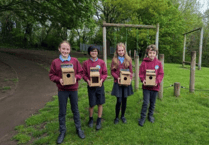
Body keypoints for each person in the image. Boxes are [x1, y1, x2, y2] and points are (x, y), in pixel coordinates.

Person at [49, 41, 85, 144]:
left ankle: (78, 129)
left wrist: (76, 78)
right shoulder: (55, 62)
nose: (65, 51)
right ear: (59, 49)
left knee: (75, 110)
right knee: (62, 112)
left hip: (73, 90)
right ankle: (62, 131)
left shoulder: (75, 61)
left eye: (67, 49)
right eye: (63, 49)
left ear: (70, 50)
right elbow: (51, 75)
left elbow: (80, 72)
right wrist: (58, 79)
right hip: (62, 90)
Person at [138, 44, 164, 127]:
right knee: (146, 102)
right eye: (150, 53)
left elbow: (161, 73)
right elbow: (141, 73)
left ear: (156, 53)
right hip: (146, 87)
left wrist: (157, 81)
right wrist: (143, 80)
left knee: (153, 102)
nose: (152, 54)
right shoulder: (144, 63)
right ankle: (142, 117)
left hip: (155, 87)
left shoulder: (158, 63)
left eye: (153, 53)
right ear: (147, 53)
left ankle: (150, 116)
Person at [82, 46, 107, 130]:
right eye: (92, 51)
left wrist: (101, 80)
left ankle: (99, 120)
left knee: (100, 103)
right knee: (92, 104)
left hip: (99, 86)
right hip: (91, 87)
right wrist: (88, 81)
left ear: (97, 52)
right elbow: (83, 74)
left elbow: (105, 73)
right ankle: (91, 119)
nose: (94, 53)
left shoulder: (101, 62)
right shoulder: (86, 63)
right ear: (89, 52)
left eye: (95, 51)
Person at [111, 42, 133, 124]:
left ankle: (122, 116)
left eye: (122, 50)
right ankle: (116, 117)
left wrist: (130, 79)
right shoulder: (114, 60)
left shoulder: (128, 59)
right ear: (116, 51)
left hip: (126, 83)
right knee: (119, 100)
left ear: (124, 50)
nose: (121, 52)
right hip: (118, 83)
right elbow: (112, 72)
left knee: (124, 100)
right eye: (119, 50)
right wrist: (118, 78)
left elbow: (131, 71)